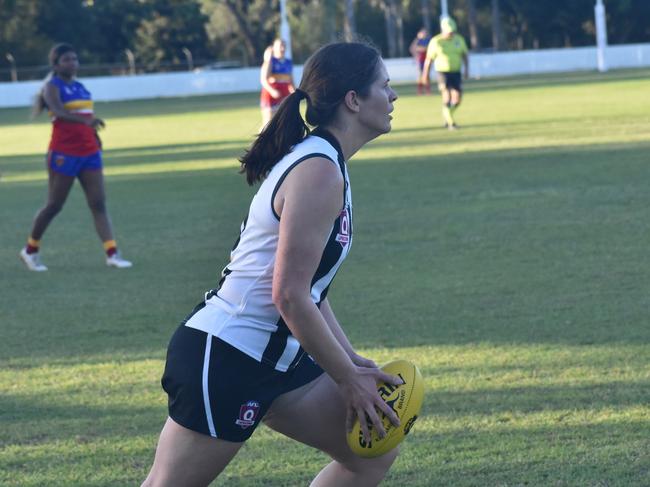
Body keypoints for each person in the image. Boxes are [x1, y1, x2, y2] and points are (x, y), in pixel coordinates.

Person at [142, 41, 401, 487]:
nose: (394, 97)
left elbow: (311, 291)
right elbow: (288, 293)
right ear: (354, 100)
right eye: (385, 85)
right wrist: (346, 378)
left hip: (278, 357)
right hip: (228, 357)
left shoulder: (329, 162)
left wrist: (351, 362)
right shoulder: (319, 170)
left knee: (373, 448)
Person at [19, 43, 132, 271]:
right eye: (67, 59)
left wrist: (94, 135)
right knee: (54, 205)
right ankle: (30, 250)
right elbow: (59, 112)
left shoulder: (81, 87)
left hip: (89, 153)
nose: (72, 63)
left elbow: (85, 116)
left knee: (98, 203)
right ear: (56, 64)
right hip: (64, 153)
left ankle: (112, 253)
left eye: (75, 59)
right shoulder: (52, 86)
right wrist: (86, 122)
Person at [421, 17, 469, 130]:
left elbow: (465, 55)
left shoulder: (459, 39)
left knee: (457, 99)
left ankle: (447, 116)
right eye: (449, 32)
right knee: (446, 96)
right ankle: (451, 123)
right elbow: (429, 60)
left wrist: (466, 70)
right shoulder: (436, 41)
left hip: (456, 72)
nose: (451, 34)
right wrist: (425, 75)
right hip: (442, 72)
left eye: (452, 31)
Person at [259, 38, 295, 128]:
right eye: (280, 46)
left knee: (284, 122)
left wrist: (295, 92)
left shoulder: (288, 62)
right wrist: (272, 91)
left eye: (284, 46)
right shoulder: (270, 61)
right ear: (274, 48)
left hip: (284, 94)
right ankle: (260, 142)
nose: (282, 48)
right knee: (268, 123)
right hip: (271, 95)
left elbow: (290, 80)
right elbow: (263, 80)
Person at [409, 28, 431, 95]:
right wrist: (415, 56)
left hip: (427, 60)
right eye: (422, 33)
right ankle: (420, 91)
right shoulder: (417, 41)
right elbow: (412, 49)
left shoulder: (428, 40)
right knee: (420, 75)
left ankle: (428, 91)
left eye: (425, 33)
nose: (424, 34)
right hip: (420, 60)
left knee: (427, 75)